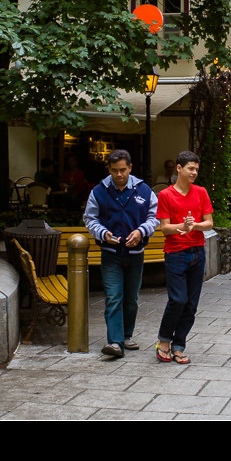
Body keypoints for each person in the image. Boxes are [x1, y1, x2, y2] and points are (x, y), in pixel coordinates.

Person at [83, 149, 159, 359]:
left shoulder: (144, 190)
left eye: (123, 170)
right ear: (109, 169)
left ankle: (126, 335)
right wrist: (103, 233)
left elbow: (154, 217)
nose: (119, 174)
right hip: (111, 253)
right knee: (114, 296)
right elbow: (90, 219)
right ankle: (115, 342)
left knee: (131, 298)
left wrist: (140, 232)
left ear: (130, 168)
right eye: (115, 170)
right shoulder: (99, 191)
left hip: (136, 253)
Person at [155, 151, 213, 365]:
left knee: (191, 304)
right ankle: (163, 340)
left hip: (198, 251)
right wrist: (183, 226)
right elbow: (165, 228)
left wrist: (194, 225)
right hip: (176, 253)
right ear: (179, 168)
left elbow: (209, 223)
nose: (194, 172)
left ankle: (179, 345)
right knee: (178, 299)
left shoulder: (201, 192)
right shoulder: (166, 195)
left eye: (196, 169)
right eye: (190, 168)